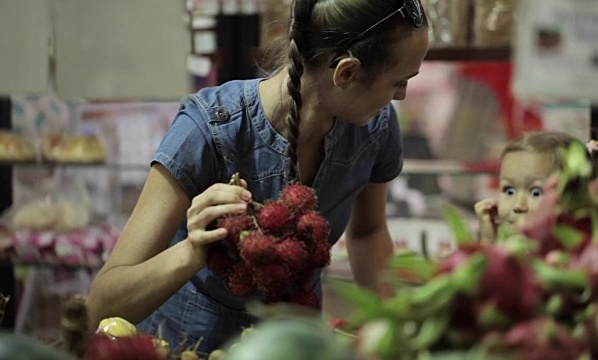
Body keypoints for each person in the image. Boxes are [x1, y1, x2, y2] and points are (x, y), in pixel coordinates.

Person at [86, 0, 430, 354]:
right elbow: (101, 306)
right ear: (346, 73)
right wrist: (192, 250)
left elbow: (368, 231)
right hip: (188, 346)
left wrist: (392, 326)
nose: (401, 96)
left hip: (294, 346)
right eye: (399, 81)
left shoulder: (376, 128)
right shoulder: (207, 130)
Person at [475, 128, 598, 243]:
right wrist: (489, 240)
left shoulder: (574, 259)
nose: (518, 205)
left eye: (536, 192)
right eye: (509, 190)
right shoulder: (509, 247)